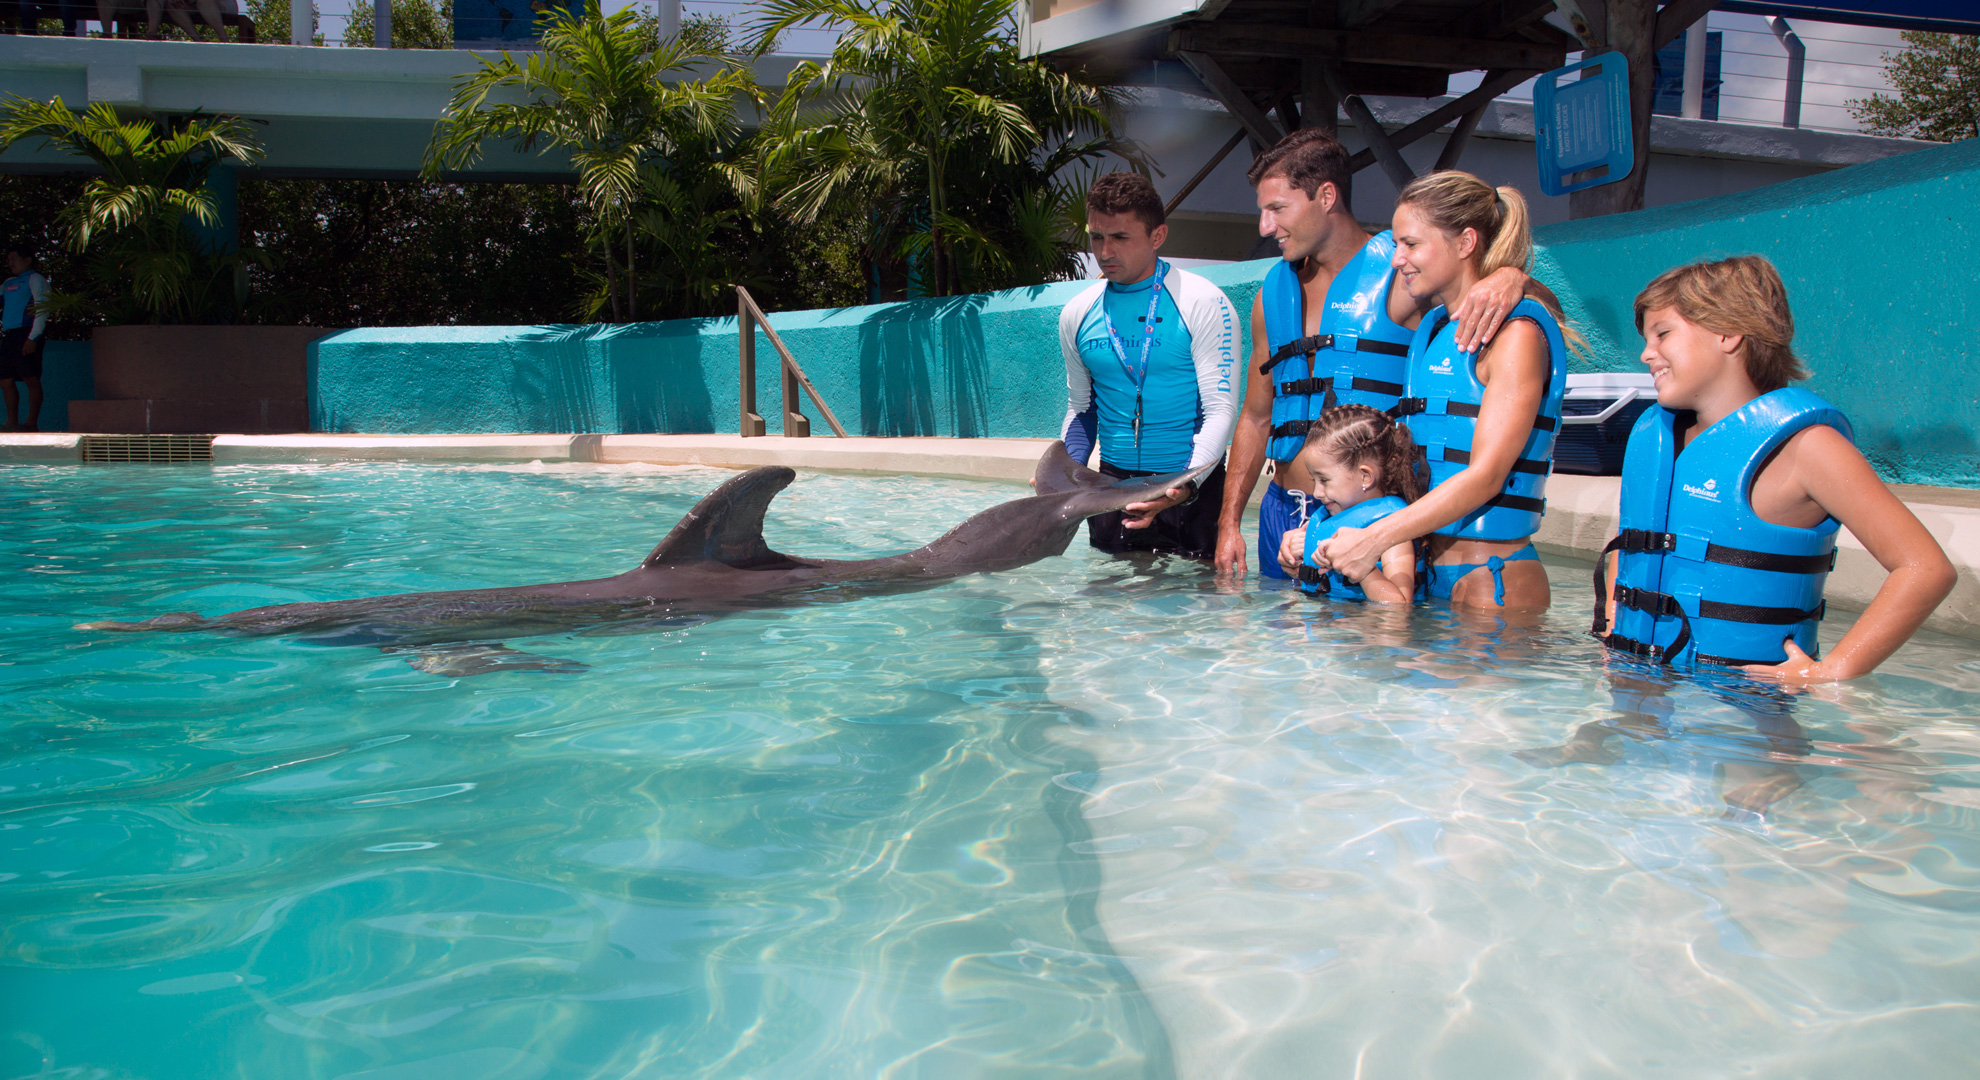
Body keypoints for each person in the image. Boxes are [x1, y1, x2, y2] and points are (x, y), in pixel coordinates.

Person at [1592, 255, 1953, 683]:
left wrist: (1833, 671)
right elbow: (1633, 545)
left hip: (1748, 713)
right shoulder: (1660, 437)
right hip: (1640, 683)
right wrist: (1616, 623)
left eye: (1662, 334)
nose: (1646, 353)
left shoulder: (1806, 448)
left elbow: (1926, 569)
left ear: (1727, 332)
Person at [1216, 131, 1530, 581]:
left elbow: (1486, 288)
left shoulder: (1405, 275)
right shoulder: (1273, 295)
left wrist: (1511, 276)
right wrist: (1230, 523)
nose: (1265, 227)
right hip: (1279, 511)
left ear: (1326, 196)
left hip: (1365, 516)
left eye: (1277, 209)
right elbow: (1254, 416)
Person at [1305, 170, 1573, 610]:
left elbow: (1486, 476)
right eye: (1396, 244)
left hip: (1490, 580)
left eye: (1410, 244)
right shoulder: (1433, 331)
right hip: (1431, 576)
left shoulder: (1515, 334)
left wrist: (1374, 539)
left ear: (1466, 243)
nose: (1396, 259)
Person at [1058, 171, 1240, 558]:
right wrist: (1064, 475)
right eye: (1096, 237)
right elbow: (1081, 409)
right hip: (1111, 489)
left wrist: (1184, 487)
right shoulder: (1077, 312)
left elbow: (1220, 411)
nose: (1104, 252)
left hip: (1190, 488)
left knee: (1195, 610)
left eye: (1120, 237)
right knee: (1110, 608)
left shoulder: (1203, 302)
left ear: (1157, 236)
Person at [1280, 404, 1423, 603]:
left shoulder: (1393, 532)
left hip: (1365, 631)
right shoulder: (1327, 518)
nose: (1316, 493)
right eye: (1314, 481)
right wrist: (1295, 564)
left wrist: (1362, 569)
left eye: (1324, 480)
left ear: (1365, 476)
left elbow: (1398, 606)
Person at [1, 242, 48, 433]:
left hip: (27, 332)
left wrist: (33, 337)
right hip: (10, 335)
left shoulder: (36, 280)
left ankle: (31, 423)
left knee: (31, 378)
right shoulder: (8, 283)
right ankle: (11, 421)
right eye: (8, 259)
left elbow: (43, 309)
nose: (10, 263)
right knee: (5, 379)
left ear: (27, 260)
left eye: (14, 259)